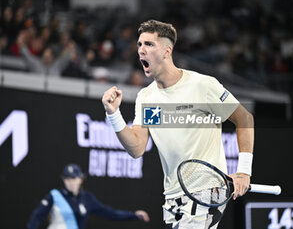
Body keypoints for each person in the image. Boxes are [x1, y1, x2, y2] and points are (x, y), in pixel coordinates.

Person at [102, 20, 254, 229]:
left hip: (205, 192)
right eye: (139, 45)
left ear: (166, 51)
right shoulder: (147, 97)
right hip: (174, 199)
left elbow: (245, 118)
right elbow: (137, 147)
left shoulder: (202, 85)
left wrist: (244, 171)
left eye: (149, 44)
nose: (141, 51)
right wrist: (114, 114)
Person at [27, 164, 150, 229]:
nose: (70, 181)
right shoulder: (54, 195)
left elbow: (109, 213)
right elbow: (37, 217)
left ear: (80, 179)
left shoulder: (87, 198)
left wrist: (133, 215)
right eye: (67, 178)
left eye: (73, 178)